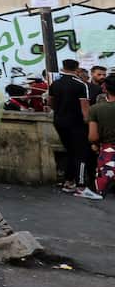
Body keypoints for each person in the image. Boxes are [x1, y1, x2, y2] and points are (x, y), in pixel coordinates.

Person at [50, 58, 95, 195]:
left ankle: (68, 182)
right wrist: (89, 124)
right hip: (76, 124)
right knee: (81, 154)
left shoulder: (55, 84)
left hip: (59, 122)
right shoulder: (81, 85)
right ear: (77, 69)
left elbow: (51, 103)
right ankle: (80, 186)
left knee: (70, 151)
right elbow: (85, 109)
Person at [89, 78, 115, 197]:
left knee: (104, 179)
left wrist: (95, 144)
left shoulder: (96, 109)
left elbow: (93, 136)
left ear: (105, 89)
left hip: (108, 152)